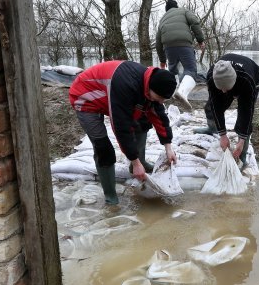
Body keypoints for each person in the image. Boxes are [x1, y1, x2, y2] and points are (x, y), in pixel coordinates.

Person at [69, 61, 178, 205]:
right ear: (150, 87)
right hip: (86, 98)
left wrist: (168, 147)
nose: (161, 101)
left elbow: (159, 116)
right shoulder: (125, 85)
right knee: (103, 148)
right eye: (160, 98)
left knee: (143, 122)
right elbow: (121, 127)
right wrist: (134, 159)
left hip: (109, 95)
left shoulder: (152, 82)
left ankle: (140, 163)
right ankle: (110, 197)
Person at [194, 54, 259, 166]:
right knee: (211, 107)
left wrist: (242, 139)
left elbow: (247, 111)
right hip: (226, 81)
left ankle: (242, 153)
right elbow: (216, 106)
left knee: (244, 116)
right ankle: (212, 128)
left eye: (226, 89)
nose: (224, 92)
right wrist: (223, 135)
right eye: (221, 89)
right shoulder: (211, 76)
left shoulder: (247, 80)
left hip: (251, 76)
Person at [155, 0, 206, 112]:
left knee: (172, 70)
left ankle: (170, 94)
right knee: (191, 70)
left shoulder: (162, 19)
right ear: (176, 6)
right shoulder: (183, 11)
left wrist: (162, 61)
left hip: (168, 46)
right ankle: (182, 93)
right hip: (184, 44)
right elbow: (194, 21)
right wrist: (200, 40)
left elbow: (158, 42)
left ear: (166, 10)